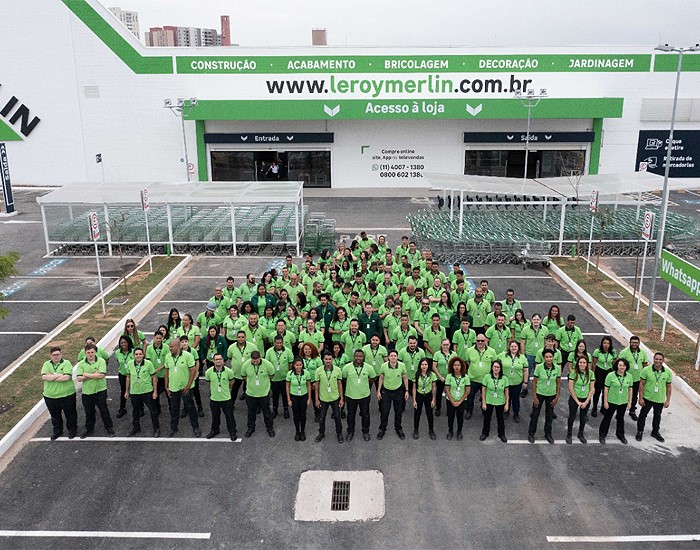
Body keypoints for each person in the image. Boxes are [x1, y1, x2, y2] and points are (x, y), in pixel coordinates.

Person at [76, 343, 114, 439]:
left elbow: (101, 375)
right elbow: (79, 379)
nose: (90, 354)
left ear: (95, 352)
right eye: (88, 352)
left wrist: (86, 374)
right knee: (89, 412)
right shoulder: (81, 364)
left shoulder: (101, 361)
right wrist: (94, 375)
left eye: (92, 352)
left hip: (100, 391)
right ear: (85, 353)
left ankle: (109, 428)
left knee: (103, 410)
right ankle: (89, 429)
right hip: (87, 392)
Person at [164, 337, 200, 438]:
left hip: (185, 388)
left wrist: (188, 386)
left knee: (191, 407)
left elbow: (193, 371)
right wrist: (166, 386)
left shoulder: (188, 356)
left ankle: (196, 427)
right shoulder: (167, 357)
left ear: (178, 346)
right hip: (173, 387)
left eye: (172, 347)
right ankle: (173, 427)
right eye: (169, 347)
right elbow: (166, 372)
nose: (170, 349)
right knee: (174, 408)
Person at [41, 346, 78, 440]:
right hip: (50, 396)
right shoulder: (46, 364)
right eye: (54, 355)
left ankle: (72, 430)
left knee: (70, 414)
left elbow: (66, 378)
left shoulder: (66, 363)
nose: (56, 356)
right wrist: (58, 375)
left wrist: (51, 376)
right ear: (50, 356)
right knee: (55, 416)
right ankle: (57, 431)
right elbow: (44, 377)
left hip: (67, 395)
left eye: (58, 354)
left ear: (61, 354)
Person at [636, 352, 673, 442]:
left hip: (659, 399)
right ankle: (640, 431)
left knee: (657, 416)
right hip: (647, 398)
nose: (658, 361)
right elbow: (641, 384)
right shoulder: (646, 370)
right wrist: (640, 398)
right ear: (653, 359)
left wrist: (667, 400)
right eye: (656, 359)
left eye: (660, 359)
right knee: (643, 415)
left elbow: (668, 387)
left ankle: (655, 432)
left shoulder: (667, 372)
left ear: (663, 361)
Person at [342, 349, 376, 442]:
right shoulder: (347, 367)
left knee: (365, 415)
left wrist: (365, 385)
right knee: (350, 415)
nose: (358, 358)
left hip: (364, 396)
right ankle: (350, 432)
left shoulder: (369, 367)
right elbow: (344, 378)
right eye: (357, 356)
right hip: (350, 396)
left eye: (360, 356)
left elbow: (373, 378)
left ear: (363, 357)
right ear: (354, 356)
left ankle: (365, 432)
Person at [527, 349, 561, 444]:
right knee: (535, 415)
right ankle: (531, 433)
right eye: (546, 357)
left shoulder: (557, 368)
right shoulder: (539, 367)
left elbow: (558, 383)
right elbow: (534, 382)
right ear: (544, 358)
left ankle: (548, 434)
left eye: (550, 357)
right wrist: (534, 397)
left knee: (549, 415)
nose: (549, 359)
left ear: (553, 357)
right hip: (540, 394)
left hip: (551, 395)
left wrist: (557, 397)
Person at [124, 348, 159, 437]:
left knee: (153, 411)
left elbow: (154, 377)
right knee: (135, 411)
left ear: (143, 355)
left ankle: (156, 428)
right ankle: (136, 428)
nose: (138, 356)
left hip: (147, 391)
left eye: (140, 354)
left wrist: (155, 391)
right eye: (136, 354)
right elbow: (128, 377)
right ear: (133, 355)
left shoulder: (148, 364)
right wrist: (126, 391)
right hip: (134, 392)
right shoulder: (130, 364)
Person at [240, 351, 275, 438]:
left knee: (267, 413)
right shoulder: (246, 365)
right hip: (251, 394)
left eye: (257, 361)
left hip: (264, 394)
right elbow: (244, 376)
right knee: (251, 413)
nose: (255, 363)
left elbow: (272, 375)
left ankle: (270, 428)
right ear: (251, 359)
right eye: (253, 361)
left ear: (260, 357)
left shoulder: (267, 364)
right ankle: (250, 428)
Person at [599, 358, 633, 444]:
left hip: (623, 401)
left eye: (624, 365)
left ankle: (620, 434)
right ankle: (602, 434)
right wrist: (605, 402)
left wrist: (629, 402)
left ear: (626, 367)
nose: (622, 367)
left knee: (620, 419)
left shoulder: (629, 376)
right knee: (607, 418)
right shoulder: (610, 375)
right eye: (620, 365)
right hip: (612, 401)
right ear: (617, 366)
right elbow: (606, 389)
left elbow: (630, 390)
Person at [203, 353, 237, 441]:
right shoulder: (208, 372)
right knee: (215, 417)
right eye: (216, 359)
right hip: (214, 399)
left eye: (220, 359)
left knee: (229, 416)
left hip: (226, 398)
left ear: (223, 360)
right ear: (213, 361)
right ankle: (215, 430)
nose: (218, 361)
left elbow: (231, 382)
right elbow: (208, 382)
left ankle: (232, 431)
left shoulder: (229, 371)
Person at [377, 349, 409, 440]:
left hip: (398, 391)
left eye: (395, 355)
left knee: (398, 412)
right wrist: (378, 390)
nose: (393, 357)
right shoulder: (383, 366)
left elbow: (405, 378)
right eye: (391, 355)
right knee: (384, 412)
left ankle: (398, 429)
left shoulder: (402, 366)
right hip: (386, 391)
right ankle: (382, 429)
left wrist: (406, 390)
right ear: (388, 357)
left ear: (397, 357)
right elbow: (381, 378)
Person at [464, 335, 498, 419]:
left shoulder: (492, 351)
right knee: (470, 396)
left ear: (485, 341)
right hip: (472, 379)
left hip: (486, 380)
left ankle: (484, 411)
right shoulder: (469, 350)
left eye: (482, 341)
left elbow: (494, 364)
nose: (480, 342)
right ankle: (469, 411)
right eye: (478, 340)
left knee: (485, 396)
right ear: (475, 341)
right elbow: (467, 362)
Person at [314, 352, 345, 443]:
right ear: (323, 359)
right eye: (326, 359)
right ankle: (321, 433)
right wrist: (316, 399)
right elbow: (316, 386)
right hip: (323, 399)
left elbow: (340, 384)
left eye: (330, 359)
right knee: (322, 417)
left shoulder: (338, 370)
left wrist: (342, 399)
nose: (328, 361)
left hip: (335, 398)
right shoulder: (318, 371)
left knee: (337, 417)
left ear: (332, 360)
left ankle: (339, 433)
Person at [617, 335, 649, 421]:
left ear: (639, 343)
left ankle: (632, 411)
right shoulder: (624, 352)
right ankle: (620, 412)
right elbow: (619, 364)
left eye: (636, 343)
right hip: (625, 379)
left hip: (637, 380)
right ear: (630, 343)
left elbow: (645, 366)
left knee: (634, 396)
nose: (634, 344)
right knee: (623, 395)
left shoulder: (643, 353)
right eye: (632, 342)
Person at [498, 340, 528, 423]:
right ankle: (506, 411)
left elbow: (525, 370)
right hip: (505, 383)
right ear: (509, 347)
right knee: (505, 398)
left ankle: (516, 413)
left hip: (517, 383)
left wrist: (525, 382)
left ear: (518, 348)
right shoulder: (502, 356)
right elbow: (495, 363)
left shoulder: (522, 358)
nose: (513, 348)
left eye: (515, 346)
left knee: (515, 399)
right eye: (512, 346)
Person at [566, 356, 594, 444]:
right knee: (572, 416)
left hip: (585, 398)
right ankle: (569, 434)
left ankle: (580, 434)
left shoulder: (590, 373)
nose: (582, 364)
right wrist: (577, 401)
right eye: (580, 362)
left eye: (584, 363)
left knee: (583, 417)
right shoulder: (574, 373)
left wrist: (586, 401)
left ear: (587, 364)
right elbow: (570, 388)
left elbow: (592, 389)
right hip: (575, 398)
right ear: (578, 363)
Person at [480, 360, 509, 443]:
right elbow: (483, 390)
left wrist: (507, 404)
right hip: (489, 401)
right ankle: (485, 433)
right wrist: (484, 402)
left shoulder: (504, 378)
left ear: (500, 368)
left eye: (498, 367)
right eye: (494, 367)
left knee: (500, 419)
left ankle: (502, 434)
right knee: (487, 418)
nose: (496, 368)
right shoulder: (487, 377)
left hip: (500, 401)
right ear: (492, 368)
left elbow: (506, 392)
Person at [266, 334, 294, 419]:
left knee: (285, 395)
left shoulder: (288, 351)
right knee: (275, 395)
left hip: (284, 378)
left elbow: (290, 363)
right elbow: (267, 364)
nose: (279, 345)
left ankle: (286, 409)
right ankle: (275, 409)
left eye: (280, 343)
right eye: (277, 343)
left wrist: (289, 376)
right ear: (274, 343)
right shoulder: (269, 351)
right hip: (274, 378)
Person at [286, 357, 312, 441]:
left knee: (303, 414)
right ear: (293, 365)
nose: (298, 367)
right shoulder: (290, 374)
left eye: (300, 365)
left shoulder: (306, 373)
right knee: (296, 415)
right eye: (296, 365)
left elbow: (308, 386)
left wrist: (309, 399)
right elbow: (287, 386)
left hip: (303, 396)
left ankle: (303, 431)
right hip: (294, 396)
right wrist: (288, 399)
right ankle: (297, 431)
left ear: (302, 365)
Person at [444, 356, 470, 440]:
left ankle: (459, 431)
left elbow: (467, 390)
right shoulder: (449, 376)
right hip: (450, 401)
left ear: (461, 366)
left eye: (458, 365)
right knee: (450, 417)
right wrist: (452, 401)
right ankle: (450, 431)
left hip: (462, 401)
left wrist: (460, 401)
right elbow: (447, 389)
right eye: (455, 365)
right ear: (452, 366)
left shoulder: (465, 377)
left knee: (460, 417)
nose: (457, 367)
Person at [146, 330, 170, 414]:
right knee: (155, 394)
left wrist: (157, 369)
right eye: (157, 338)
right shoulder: (149, 348)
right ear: (154, 338)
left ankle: (171, 408)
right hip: (154, 376)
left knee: (169, 393)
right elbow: (148, 361)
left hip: (165, 375)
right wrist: (153, 373)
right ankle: (157, 409)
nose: (158, 340)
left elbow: (167, 362)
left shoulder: (166, 347)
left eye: (160, 338)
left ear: (163, 338)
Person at [591, 335, 616, 416]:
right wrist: (593, 375)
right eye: (604, 343)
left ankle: (603, 407)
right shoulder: (597, 351)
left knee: (606, 390)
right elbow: (594, 364)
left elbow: (614, 364)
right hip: (599, 371)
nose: (606, 345)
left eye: (608, 343)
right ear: (602, 343)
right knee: (597, 391)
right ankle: (594, 408)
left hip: (608, 372)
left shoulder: (613, 352)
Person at [412, 358, 437, 440]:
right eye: (422, 364)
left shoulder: (432, 375)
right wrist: (414, 400)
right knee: (417, 414)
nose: (424, 366)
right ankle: (416, 430)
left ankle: (431, 430)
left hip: (428, 395)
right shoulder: (416, 374)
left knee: (429, 414)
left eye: (426, 364)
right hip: (419, 395)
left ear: (428, 365)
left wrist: (433, 399)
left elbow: (433, 387)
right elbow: (414, 388)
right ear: (420, 365)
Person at [432, 338, 456, 417]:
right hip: (440, 378)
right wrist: (440, 376)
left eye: (447, 344)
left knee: (449, 394)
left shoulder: (454, 354)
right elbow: (434, 366)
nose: (445, 346)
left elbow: (456, 366)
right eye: (444, 344)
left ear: (449, 345)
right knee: (439, 394)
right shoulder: (437, 354)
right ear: (441, 345)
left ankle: (449, 409)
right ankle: (438, 408)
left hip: (450, 378)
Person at [113, 335, 134, 419]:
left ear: (128, 343)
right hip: (122, 374)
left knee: (134, 391)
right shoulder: (117, 352)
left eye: (125, 342)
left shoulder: (133, 352)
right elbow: (118, 362)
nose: (123, 344)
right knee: (123, 391)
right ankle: (122, 408)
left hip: (132, 375)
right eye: (122, 343)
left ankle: (140, 408)